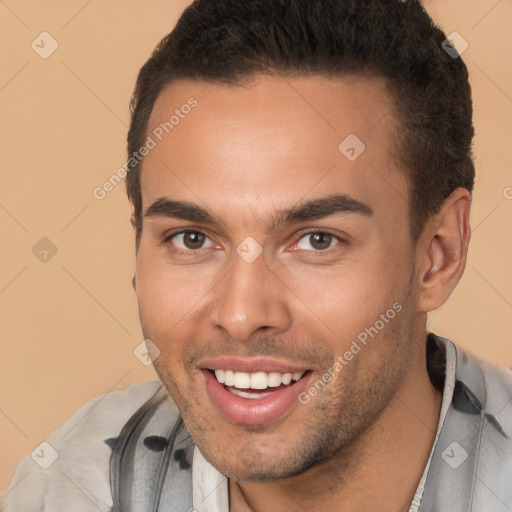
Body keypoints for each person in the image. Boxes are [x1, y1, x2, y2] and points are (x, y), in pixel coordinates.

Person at [3, 0, 511, 510]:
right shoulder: (76, 482)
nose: (242, 316)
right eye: (192, 239)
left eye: (317, 240)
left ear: (439, 254)